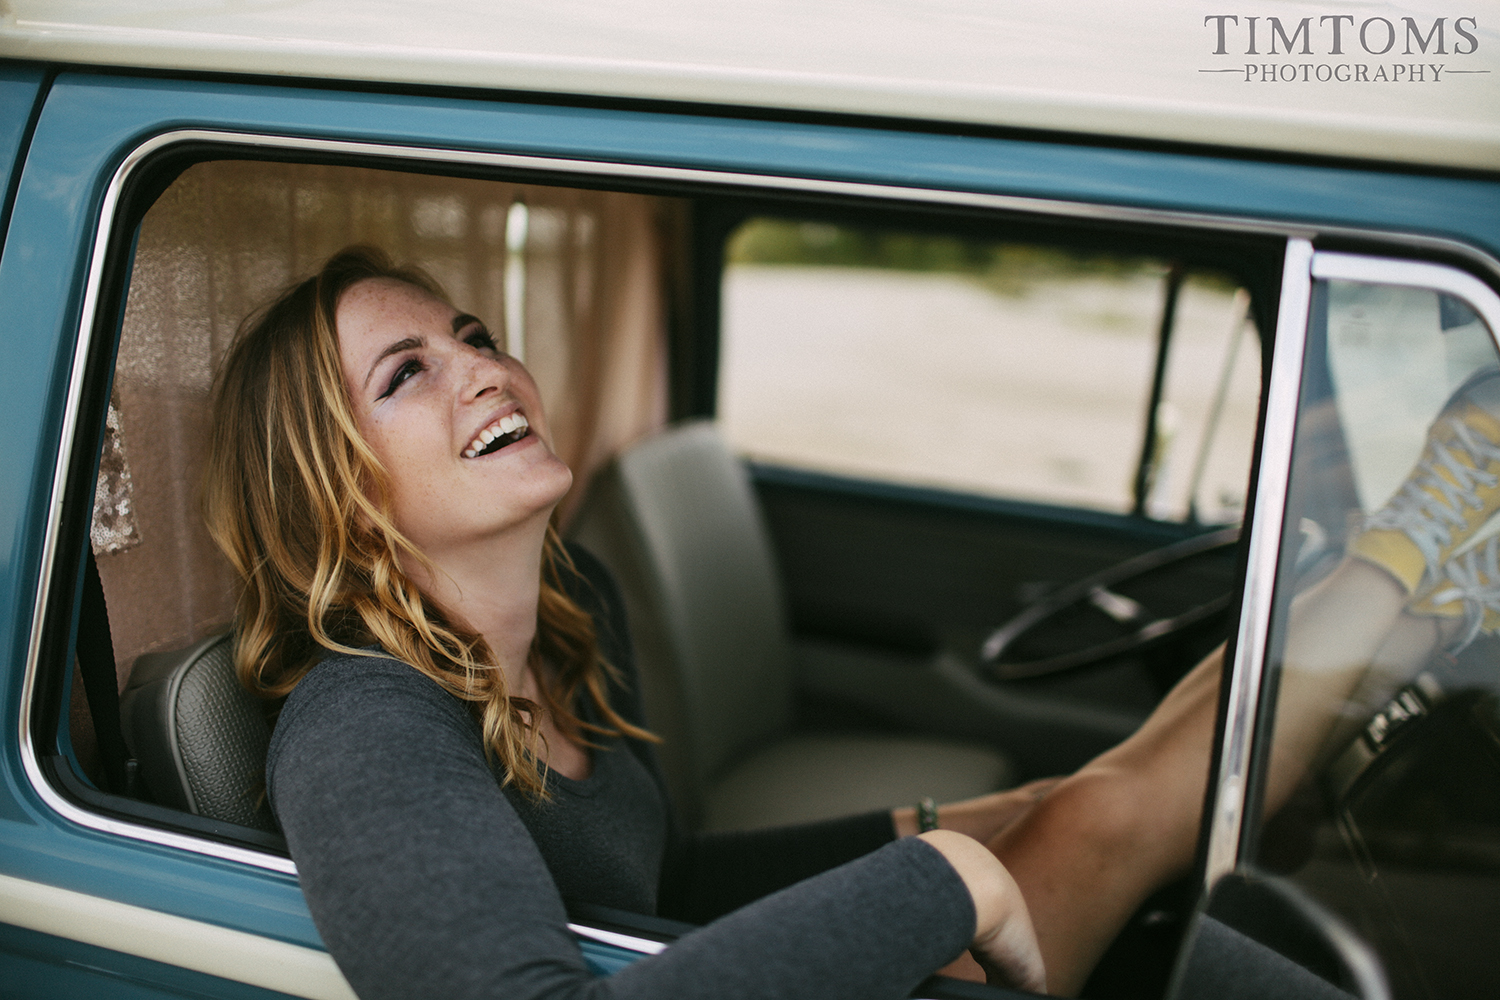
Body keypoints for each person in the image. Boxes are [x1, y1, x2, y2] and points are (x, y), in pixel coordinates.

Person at [204, 245, 1498, 999]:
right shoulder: (362, 727)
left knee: (1084, 809)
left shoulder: (568, 615)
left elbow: (662, 888)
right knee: (1109, 821)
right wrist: (948, 880)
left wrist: (929, 828)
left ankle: (1398, 579)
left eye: (471, 333)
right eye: (406, 372)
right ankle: (1405, 564)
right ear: (330, 484)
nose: (482, 365)